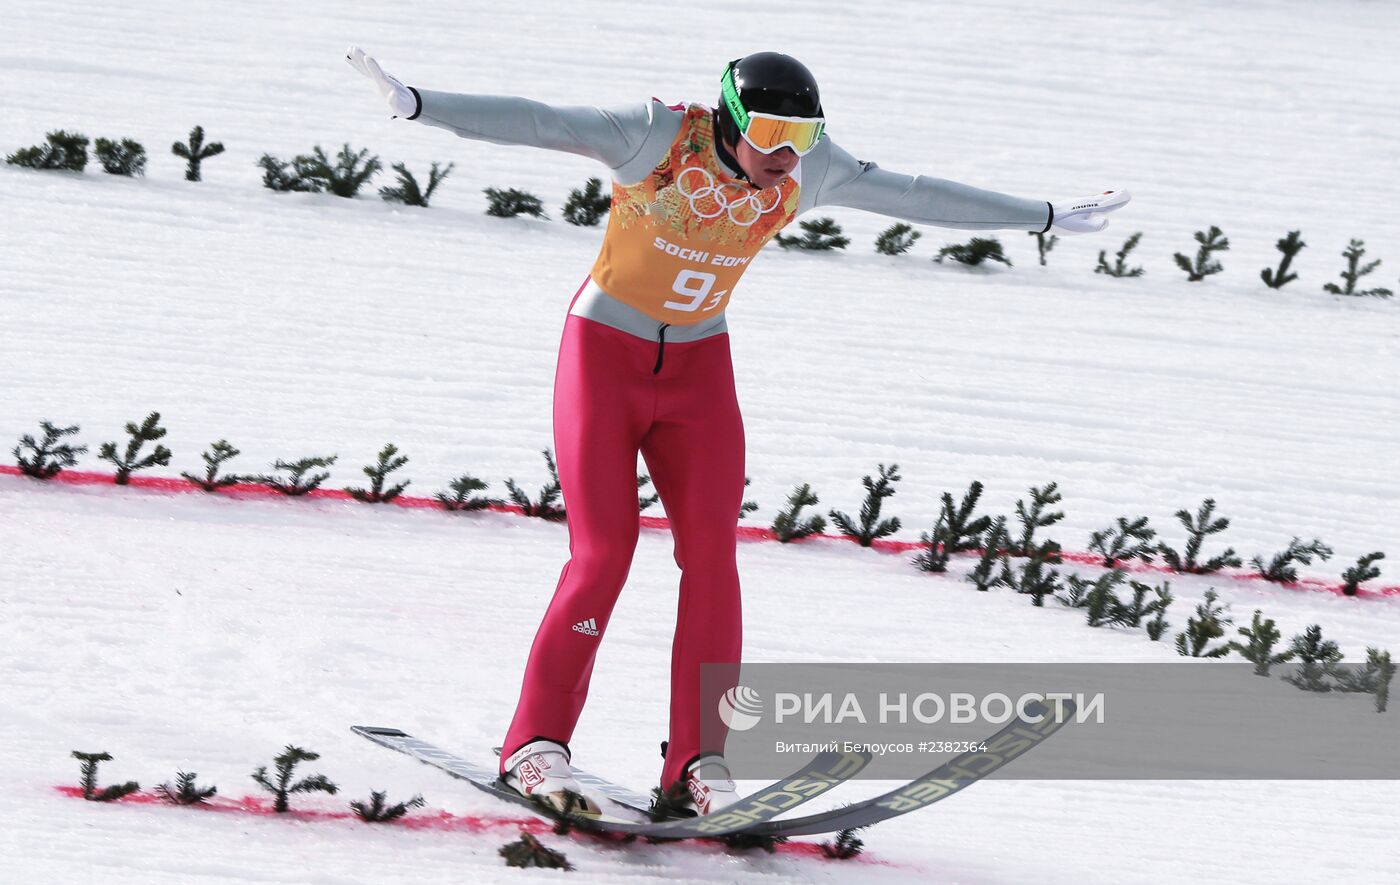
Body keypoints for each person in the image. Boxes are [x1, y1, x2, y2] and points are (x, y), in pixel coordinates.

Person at [347, 46, 1129, 817]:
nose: (786, 156)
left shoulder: (809, 169)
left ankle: (697, 758)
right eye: (768, 133)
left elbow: (917, 195)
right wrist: (422, 104)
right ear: (728, 119)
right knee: (604, 552)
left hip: (699, 370)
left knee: (715, 560)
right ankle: (533, 743)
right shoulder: (655, 136)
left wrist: (1046, 215)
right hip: (602, 356)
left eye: (803, 137)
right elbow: (540, 122)